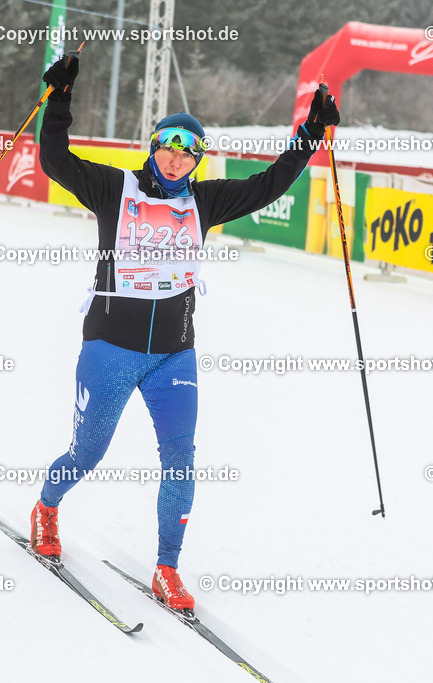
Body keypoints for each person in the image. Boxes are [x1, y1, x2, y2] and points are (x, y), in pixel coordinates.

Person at [31, 50, 339, 612]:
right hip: (109, 347)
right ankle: (47, 506)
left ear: (197, 160)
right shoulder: (113, 188)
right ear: (154, 147)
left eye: (188, 152)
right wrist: (61, 98)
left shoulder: (205, 201)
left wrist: (311, 132)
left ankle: (167, 567)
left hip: (174, 355)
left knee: (181, 459)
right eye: (169, 148)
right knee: (88, 452)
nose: (176, 160)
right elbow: (55, 159)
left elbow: (271, 184)